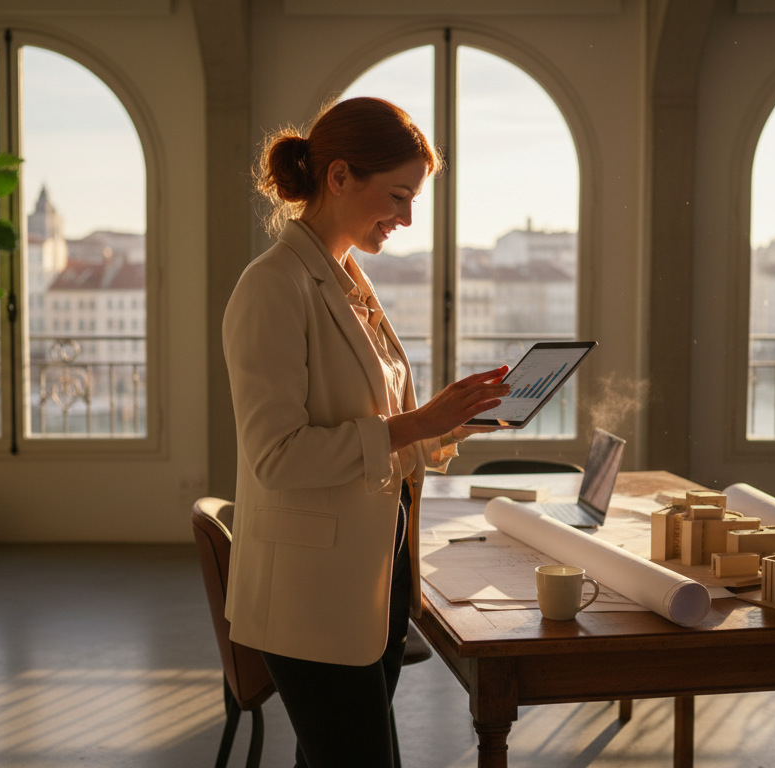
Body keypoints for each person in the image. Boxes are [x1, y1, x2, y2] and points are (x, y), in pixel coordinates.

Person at [221, 96, 510, 768]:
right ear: (340, 176)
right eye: (399, 195)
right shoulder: (272, 287)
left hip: (369, 583)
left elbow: (382, 432)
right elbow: (277, 457)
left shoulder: (348, 279)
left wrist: (450, 424)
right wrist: (419, 421)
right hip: (309, 595)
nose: (407, 218)